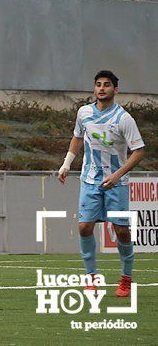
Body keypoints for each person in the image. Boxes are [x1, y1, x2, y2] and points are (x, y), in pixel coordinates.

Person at [58, 70, 145, 298]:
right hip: (90, 180)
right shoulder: (84, 112)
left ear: (115, 89)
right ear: (94, 88)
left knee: (121, 231)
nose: (102, 88)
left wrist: (118, 175)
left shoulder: (124, 119)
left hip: (116, 183)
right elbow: (77, 137)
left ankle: (125, 278)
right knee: (84, 227)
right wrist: (67, 164)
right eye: (98, 84)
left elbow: (139, 151)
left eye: (107, 84)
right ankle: (91, 279)